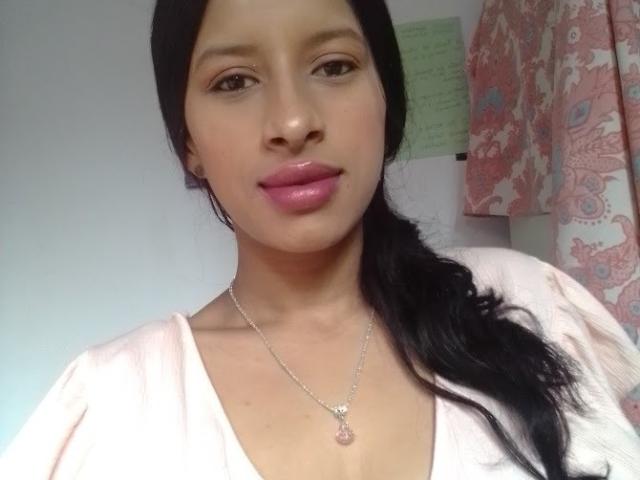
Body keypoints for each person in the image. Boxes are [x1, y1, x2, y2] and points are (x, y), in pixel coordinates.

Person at [2, 0, 640, 478]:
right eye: (234, 81)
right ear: (188, 140)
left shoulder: (531, 308)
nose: (292, 121)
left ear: (385, 96)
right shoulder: (111, 407)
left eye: (334, 66)